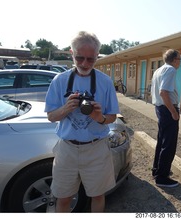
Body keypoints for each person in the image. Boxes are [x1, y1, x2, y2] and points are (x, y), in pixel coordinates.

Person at [45, 31, 119, 212]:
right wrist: (65, 108)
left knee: (98, 195)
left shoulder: (105, 81)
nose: (85, 64)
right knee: (63, 198)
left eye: (90, 59)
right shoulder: (59, 80)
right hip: (67, 149)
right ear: (72, 53)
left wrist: (99, 117)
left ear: (97, 57)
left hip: (96, 149)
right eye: (79, 58)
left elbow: (112, 117)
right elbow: (51, 116)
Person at [151, 49, 181, 188]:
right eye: (179, 59)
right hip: (167, 109)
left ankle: (157, 170)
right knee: (169, 144)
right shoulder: (170, 70)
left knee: (162, 140)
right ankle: (162, 177)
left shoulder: (159, 70)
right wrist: (173, 111)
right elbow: (163, 92)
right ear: (174, 59)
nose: (180, 62)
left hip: (160, 108)